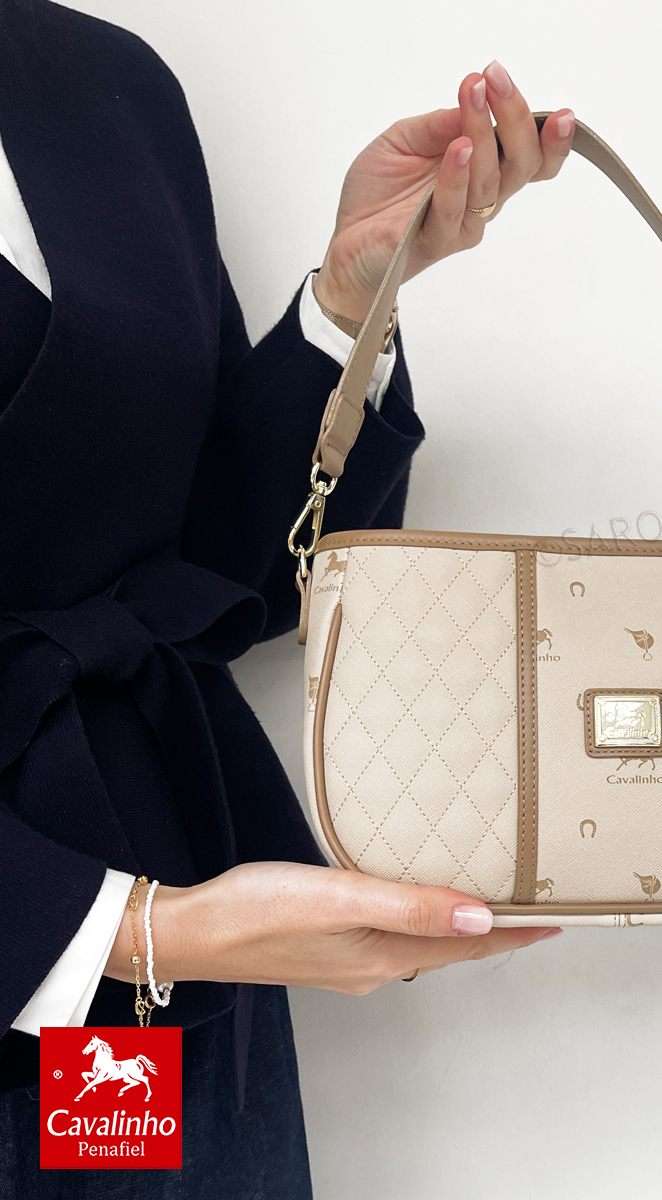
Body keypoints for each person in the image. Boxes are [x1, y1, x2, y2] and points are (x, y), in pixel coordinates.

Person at [0, 0, 570, 1193]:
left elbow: (206, 570)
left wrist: (347, 308)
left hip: (173, 967)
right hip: (119, 936)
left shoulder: (98, 80)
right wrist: (117, 931)